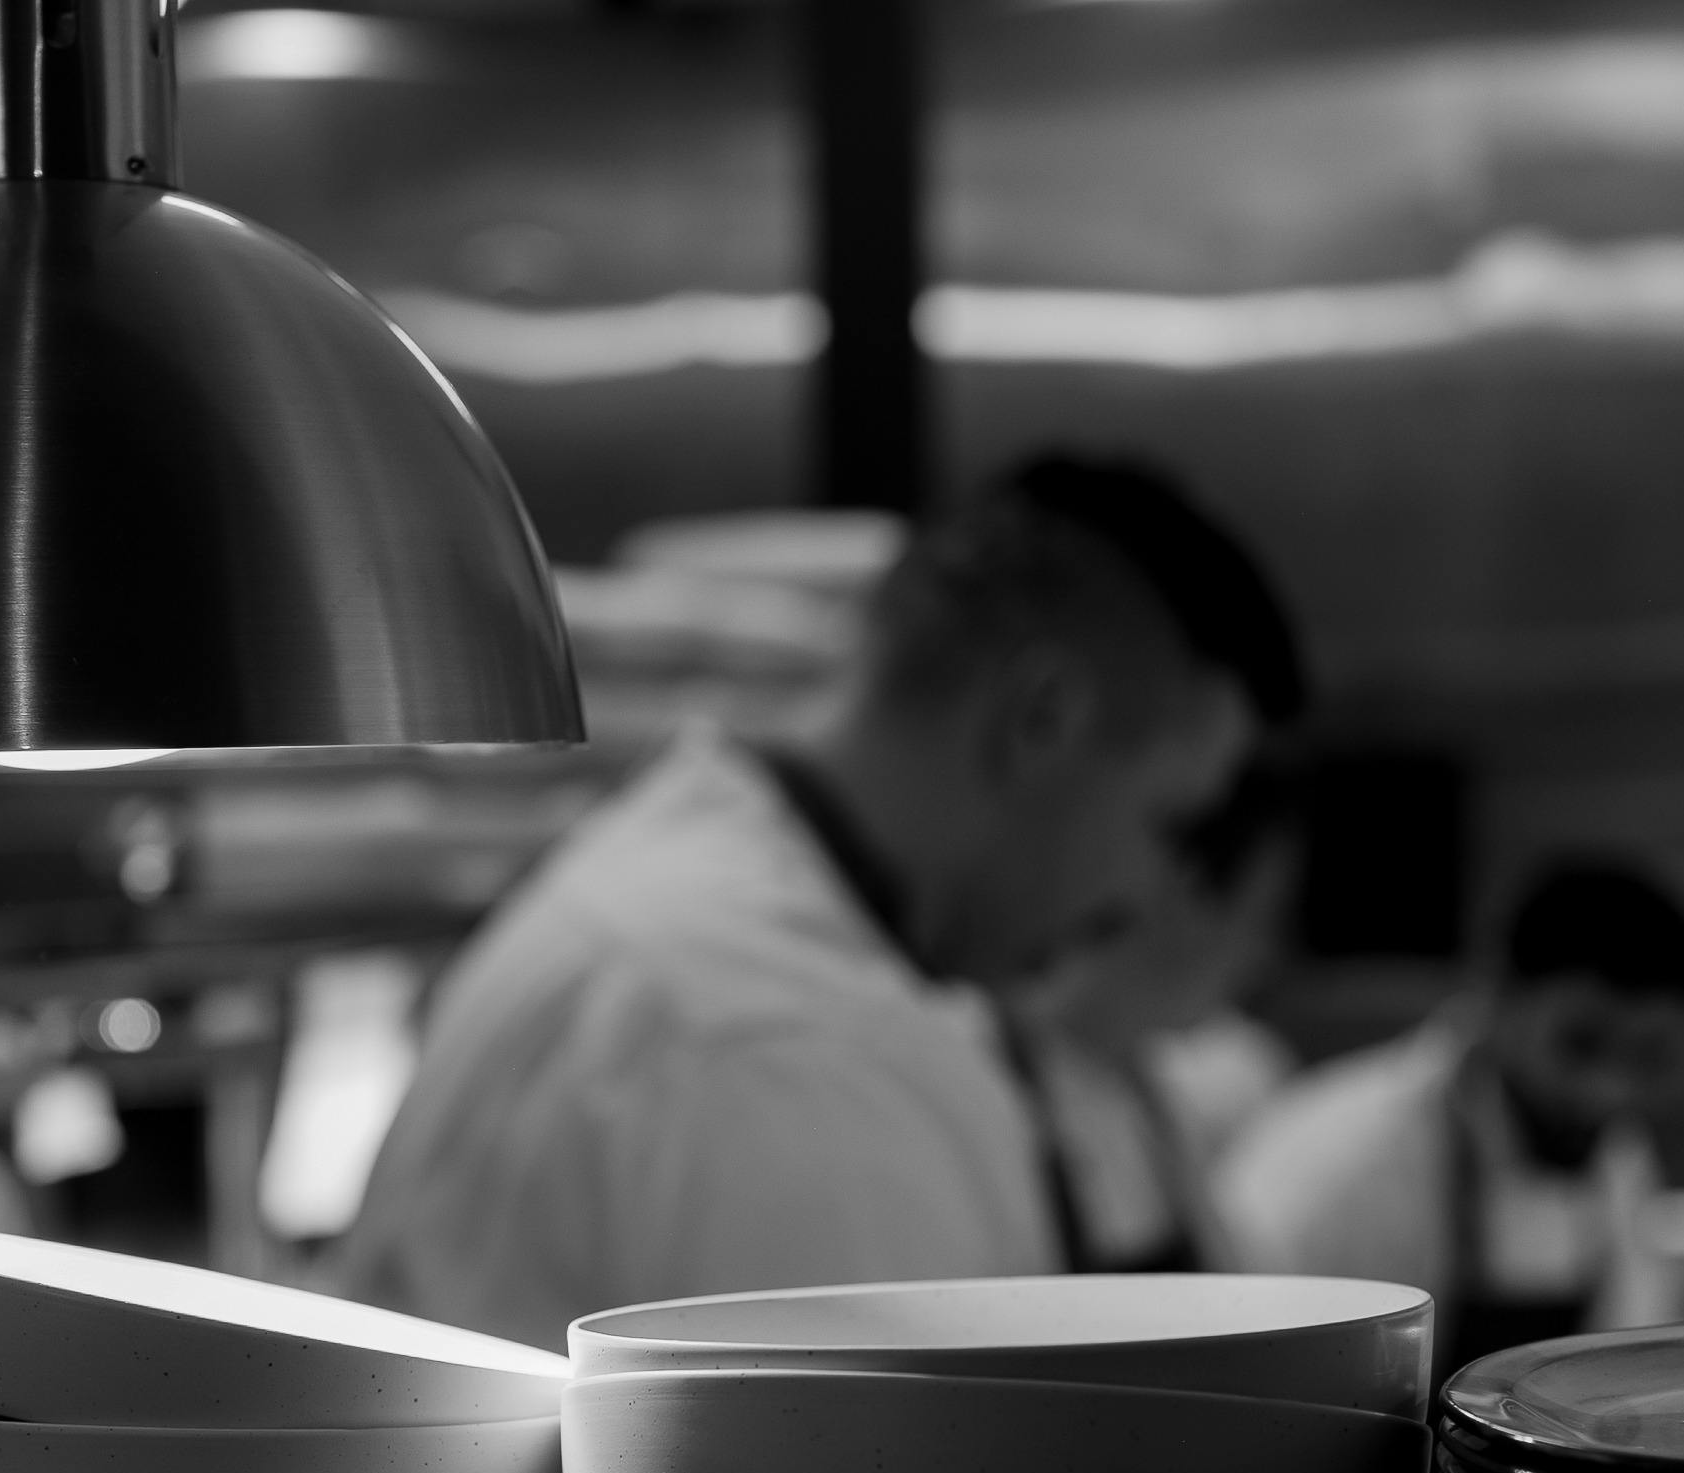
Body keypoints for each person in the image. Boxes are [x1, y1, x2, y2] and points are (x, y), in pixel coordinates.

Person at [345, 456, 1309, 1349]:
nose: (1141, 893)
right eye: (1165, 822)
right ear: (1041, 719)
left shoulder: (687, 891)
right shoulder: (791, 1051)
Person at [1214, 855, 1684, 1380]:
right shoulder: (1344, 1157)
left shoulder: (1614, 1150)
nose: (1608, 1090)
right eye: (1580, 1043)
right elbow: (1234, 1363)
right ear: (1497, 993)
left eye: (1651, 1057)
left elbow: (1625, 1353)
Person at [1012, 755, 1305, 1272]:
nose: (1265, 955)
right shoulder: (993, 1084)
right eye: (1263, 914)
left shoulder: (1152, 1099)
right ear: (1184, 887)